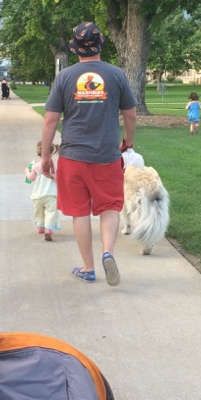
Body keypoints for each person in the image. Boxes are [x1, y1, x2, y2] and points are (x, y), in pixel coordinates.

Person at [41, 21, 137, 286]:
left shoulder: (64, 77)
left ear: (75, 48)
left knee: (79, 212)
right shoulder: (116, 75)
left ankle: (88, 268)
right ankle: (108, 253)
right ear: (99, 44)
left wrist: (46, 155)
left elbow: (50, 120)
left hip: (73, 156)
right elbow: (130, 114)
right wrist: (128, 142)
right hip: (107, 156)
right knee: (110, 207)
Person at [25, 141, 60, 241]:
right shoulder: (55, 166)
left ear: (39, 153)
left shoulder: (35, 166)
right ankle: (48, 229)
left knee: (39, 211)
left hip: (38, 195)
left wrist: (27, 171)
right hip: (51, 195)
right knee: (51, 212)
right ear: (52, 152)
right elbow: (59, 179)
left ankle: (40, 227)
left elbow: (31, 178)